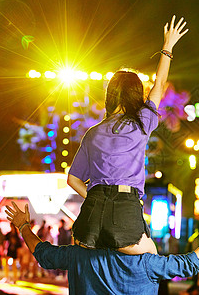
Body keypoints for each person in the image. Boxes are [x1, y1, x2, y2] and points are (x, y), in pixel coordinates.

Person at [67, 15, 188, 255]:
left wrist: (94, 197)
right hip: (125, 210)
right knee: (152, 262)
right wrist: (167, 47)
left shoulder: (92, 133)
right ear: (136, 95)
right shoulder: (141, 123)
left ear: (110, 96)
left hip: (91, 216)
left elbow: (73, 179)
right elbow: (160, 84)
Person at [5, 201, 199, 294]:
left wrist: (24, 226)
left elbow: (43, 254)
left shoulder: (78, 256)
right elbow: (190, 264)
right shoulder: (144, 264)